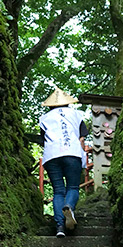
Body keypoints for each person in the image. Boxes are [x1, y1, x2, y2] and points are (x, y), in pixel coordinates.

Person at [39, 88, 89, 238]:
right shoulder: (77, 115)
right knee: (72, 187)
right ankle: (69, 208)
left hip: (51, 156)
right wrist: (83, 159)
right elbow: (81, 139)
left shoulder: (44, 118)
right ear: (68, 103)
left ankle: (60, 226)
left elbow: (44, 141)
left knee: (58, 191)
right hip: (72, 153)